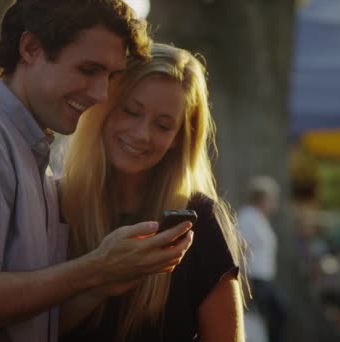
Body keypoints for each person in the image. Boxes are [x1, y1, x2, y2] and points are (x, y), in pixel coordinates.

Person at [0, 2, 194, 341]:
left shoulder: (27, 151)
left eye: (111, 76)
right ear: (30, 48)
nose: (101, 94)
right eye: (88, 69)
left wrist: (105, 281)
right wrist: (96, 267)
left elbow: (24, 322)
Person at [59, 43, 246, 342]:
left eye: (163, 125)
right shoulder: (55, 205)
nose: (142, 134)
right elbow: (25, 330)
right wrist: (99, 280)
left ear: (179, 138)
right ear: (104, 107)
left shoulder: (197, 221)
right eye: (131, 111)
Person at [237, 176, 287, 342]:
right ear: (262, 198)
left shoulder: (257, 218)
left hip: (264, 280)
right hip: (255, 280)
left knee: (274, 317)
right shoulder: (248, 217)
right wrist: (243, 280)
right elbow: (239, 250)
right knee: (278, 313)